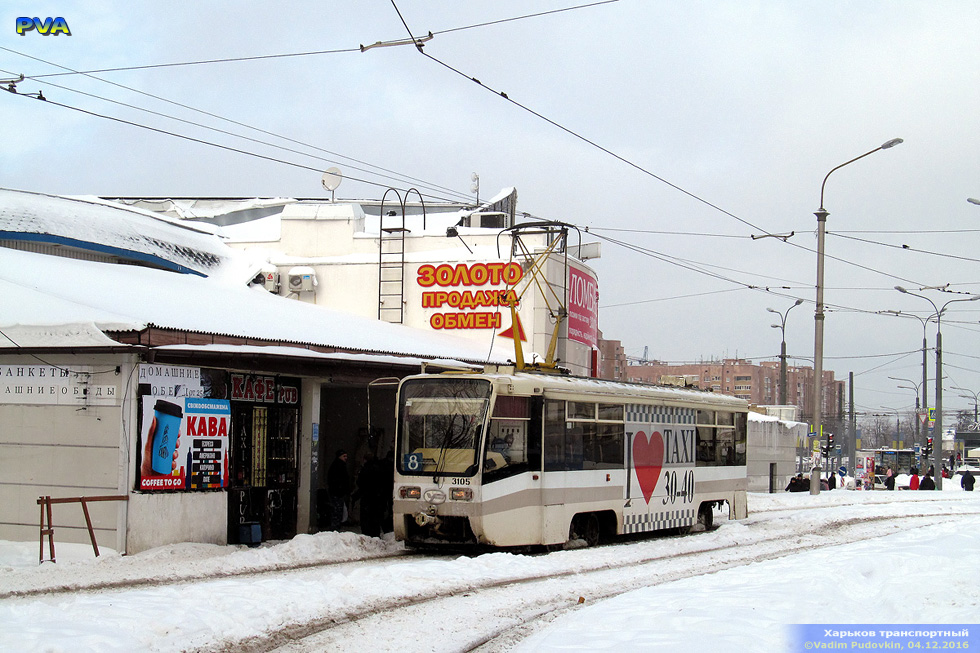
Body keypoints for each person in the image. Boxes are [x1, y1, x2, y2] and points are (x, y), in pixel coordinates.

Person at [354, 451, 386, 537]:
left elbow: (360, 483)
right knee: (375, 517)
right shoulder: (379, 468)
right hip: (377, 497)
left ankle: (367, 534)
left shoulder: (365, 469)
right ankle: (375, 533)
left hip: (367, 497)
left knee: (366, 518)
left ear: (365, 460)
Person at [327, 449, 351, 530]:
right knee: (337, 511)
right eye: (344, 456)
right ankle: (335, 527)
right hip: (337, 492)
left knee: (337, 511)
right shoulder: (339, 466)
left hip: (337, 492)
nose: (346, 458)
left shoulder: (337, 465)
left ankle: (335, 527)